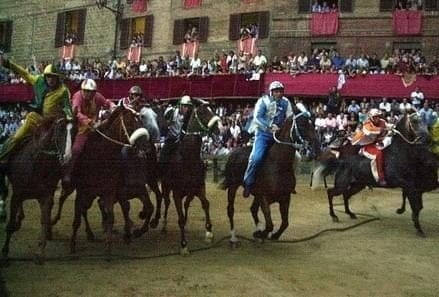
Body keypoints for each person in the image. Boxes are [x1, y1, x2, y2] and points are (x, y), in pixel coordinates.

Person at [0, 53, 73, 165]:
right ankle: (3, 156)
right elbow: (24, 73)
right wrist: (8, 64)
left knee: (66, 140)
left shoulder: (63, 90)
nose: (50, 79)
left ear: (57, 77)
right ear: (45, 76)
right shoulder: (38, 81)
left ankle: (66, 170)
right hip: (38, 118)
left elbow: (67, 107)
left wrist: (69, 116)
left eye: (53, 76)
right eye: (48, 76)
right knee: (18, 134)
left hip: (54, 123)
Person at [242, 81, 293, 198]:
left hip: (279, 136)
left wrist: (284, 128)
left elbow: (290, 117)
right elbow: (257, 118)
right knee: (256, 157)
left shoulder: (286, 102)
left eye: (280, 91)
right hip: (263, 135)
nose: (279, 94)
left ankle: (289, 183)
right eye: (276, 91)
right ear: (271, 92)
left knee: (294, 157)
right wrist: (269, 127)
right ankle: (248, 182)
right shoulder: (263, 101)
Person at [62, 79, 115, 186]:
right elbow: (77, 113)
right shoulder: (77, 96)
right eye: (86, 91)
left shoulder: (97, 96)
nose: (89, 94)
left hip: (96, 126)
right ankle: (68, 173)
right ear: (82, 90)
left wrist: (112, 106)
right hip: (81, 127)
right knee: (76, 149)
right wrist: (89, 122)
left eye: (91, 91)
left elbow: (106, 102)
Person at [351, 108, 393, 186]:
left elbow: (389, 126)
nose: (377, 118)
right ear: (370, 117)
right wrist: (384, 129)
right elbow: (370, 131)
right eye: (374, 117)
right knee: (378, 154)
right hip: (363, 145)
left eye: (378, 116)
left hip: (374, 143)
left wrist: (393, 127)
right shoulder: (367, 124)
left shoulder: (382, 122)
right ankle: (380, 178)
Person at [159, 95, 193, 165]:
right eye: (185, 106)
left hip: (180, 140)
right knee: (163, 156)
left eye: (188, 107)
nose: (187, 109)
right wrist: (168, 122)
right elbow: (163, 123)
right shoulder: (172, 112)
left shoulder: (187, 116)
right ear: (181, 106)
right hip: (169, 140)